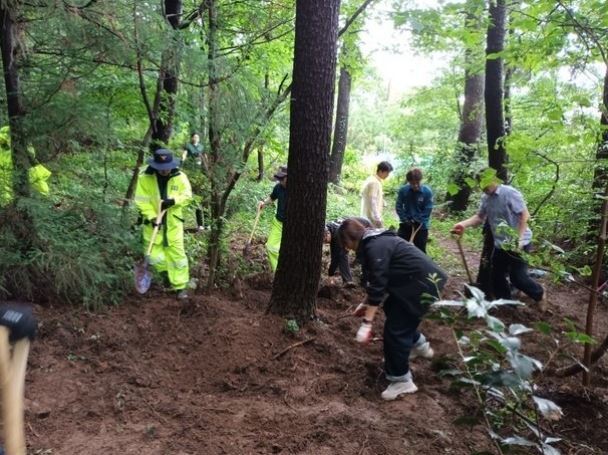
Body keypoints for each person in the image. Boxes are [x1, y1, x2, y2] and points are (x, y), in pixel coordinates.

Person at [338, 218, 447, 401]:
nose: (347, 249)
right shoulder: (375, 240)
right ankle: (418, 344)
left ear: (350, 239)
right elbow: (379, 282)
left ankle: (401, 380)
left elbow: (379, 286)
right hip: (416, 282)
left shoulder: (374, 247)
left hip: (422, 285)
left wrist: (367, 324)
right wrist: (365, 304)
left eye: (345, 244)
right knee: (392, 307)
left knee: (395, 331)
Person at [451, 170, 547, 309]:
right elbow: (479, 217)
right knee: (496, 276)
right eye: (481, 185)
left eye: (486, 183)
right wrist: (462, 224)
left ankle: (540, 293)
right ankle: (507, 305)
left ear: (494, 179)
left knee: (518, 278)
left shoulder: (509, 193)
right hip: (500, 244)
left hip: (520, 243)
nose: (483, 188)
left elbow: (525, 216)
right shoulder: (485, 198)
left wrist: (518, 240)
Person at [135, 149, 193, 299]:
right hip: (152, 225)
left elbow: (187, 196)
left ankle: (180, 288)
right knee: (154, 256)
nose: (164, 171)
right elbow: (141, 201)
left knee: (177, 257)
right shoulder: (145, 178)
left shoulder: (180, 177)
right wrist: (152, 217)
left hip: (173, 224)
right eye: (161, 168)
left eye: (166, 167)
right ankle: (167, 277)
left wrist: (173, 201)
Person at [395, 167, 433, 253]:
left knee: (421, 251)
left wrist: (418, 220)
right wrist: (405, 219)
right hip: (406, 224)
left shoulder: (427, 192)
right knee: (399, 247)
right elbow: (399, 206)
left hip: (421, 226)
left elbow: (428, 209)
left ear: (421, 180)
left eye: (417, 183)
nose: (415, 185)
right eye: (412, 183)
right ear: (409, 182)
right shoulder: (403, 190)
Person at [324, 217, 371, 286]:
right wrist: (331, 273)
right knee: (343, 253)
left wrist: (330, 274)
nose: (325, 242)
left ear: (328, 233)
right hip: (355, 229)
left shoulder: (337, 234)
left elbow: (336, 257)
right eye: (324, 242)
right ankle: (349, 279)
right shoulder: (330, 229)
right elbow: (334, 255)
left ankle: (356, 280)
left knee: (361, 254)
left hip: (364, 226)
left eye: (325, 239)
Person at [258, 166, 287, 272]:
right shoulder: (278, 187)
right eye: (279, 179)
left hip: (292, 226)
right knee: (270, 247)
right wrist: (263, 203)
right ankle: (279, 272)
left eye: (282, 178)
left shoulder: (297, 189)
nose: (280, 181)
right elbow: (272, 197)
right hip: (278, 222)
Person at [360, 161, 393, 228]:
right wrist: (377, 217)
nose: (388, 175)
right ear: (381, 171)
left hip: (367, 217)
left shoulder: (372, 179)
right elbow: (372, 200)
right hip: (371, 219)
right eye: (387, 173)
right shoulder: (374, 182)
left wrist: (383, 201)